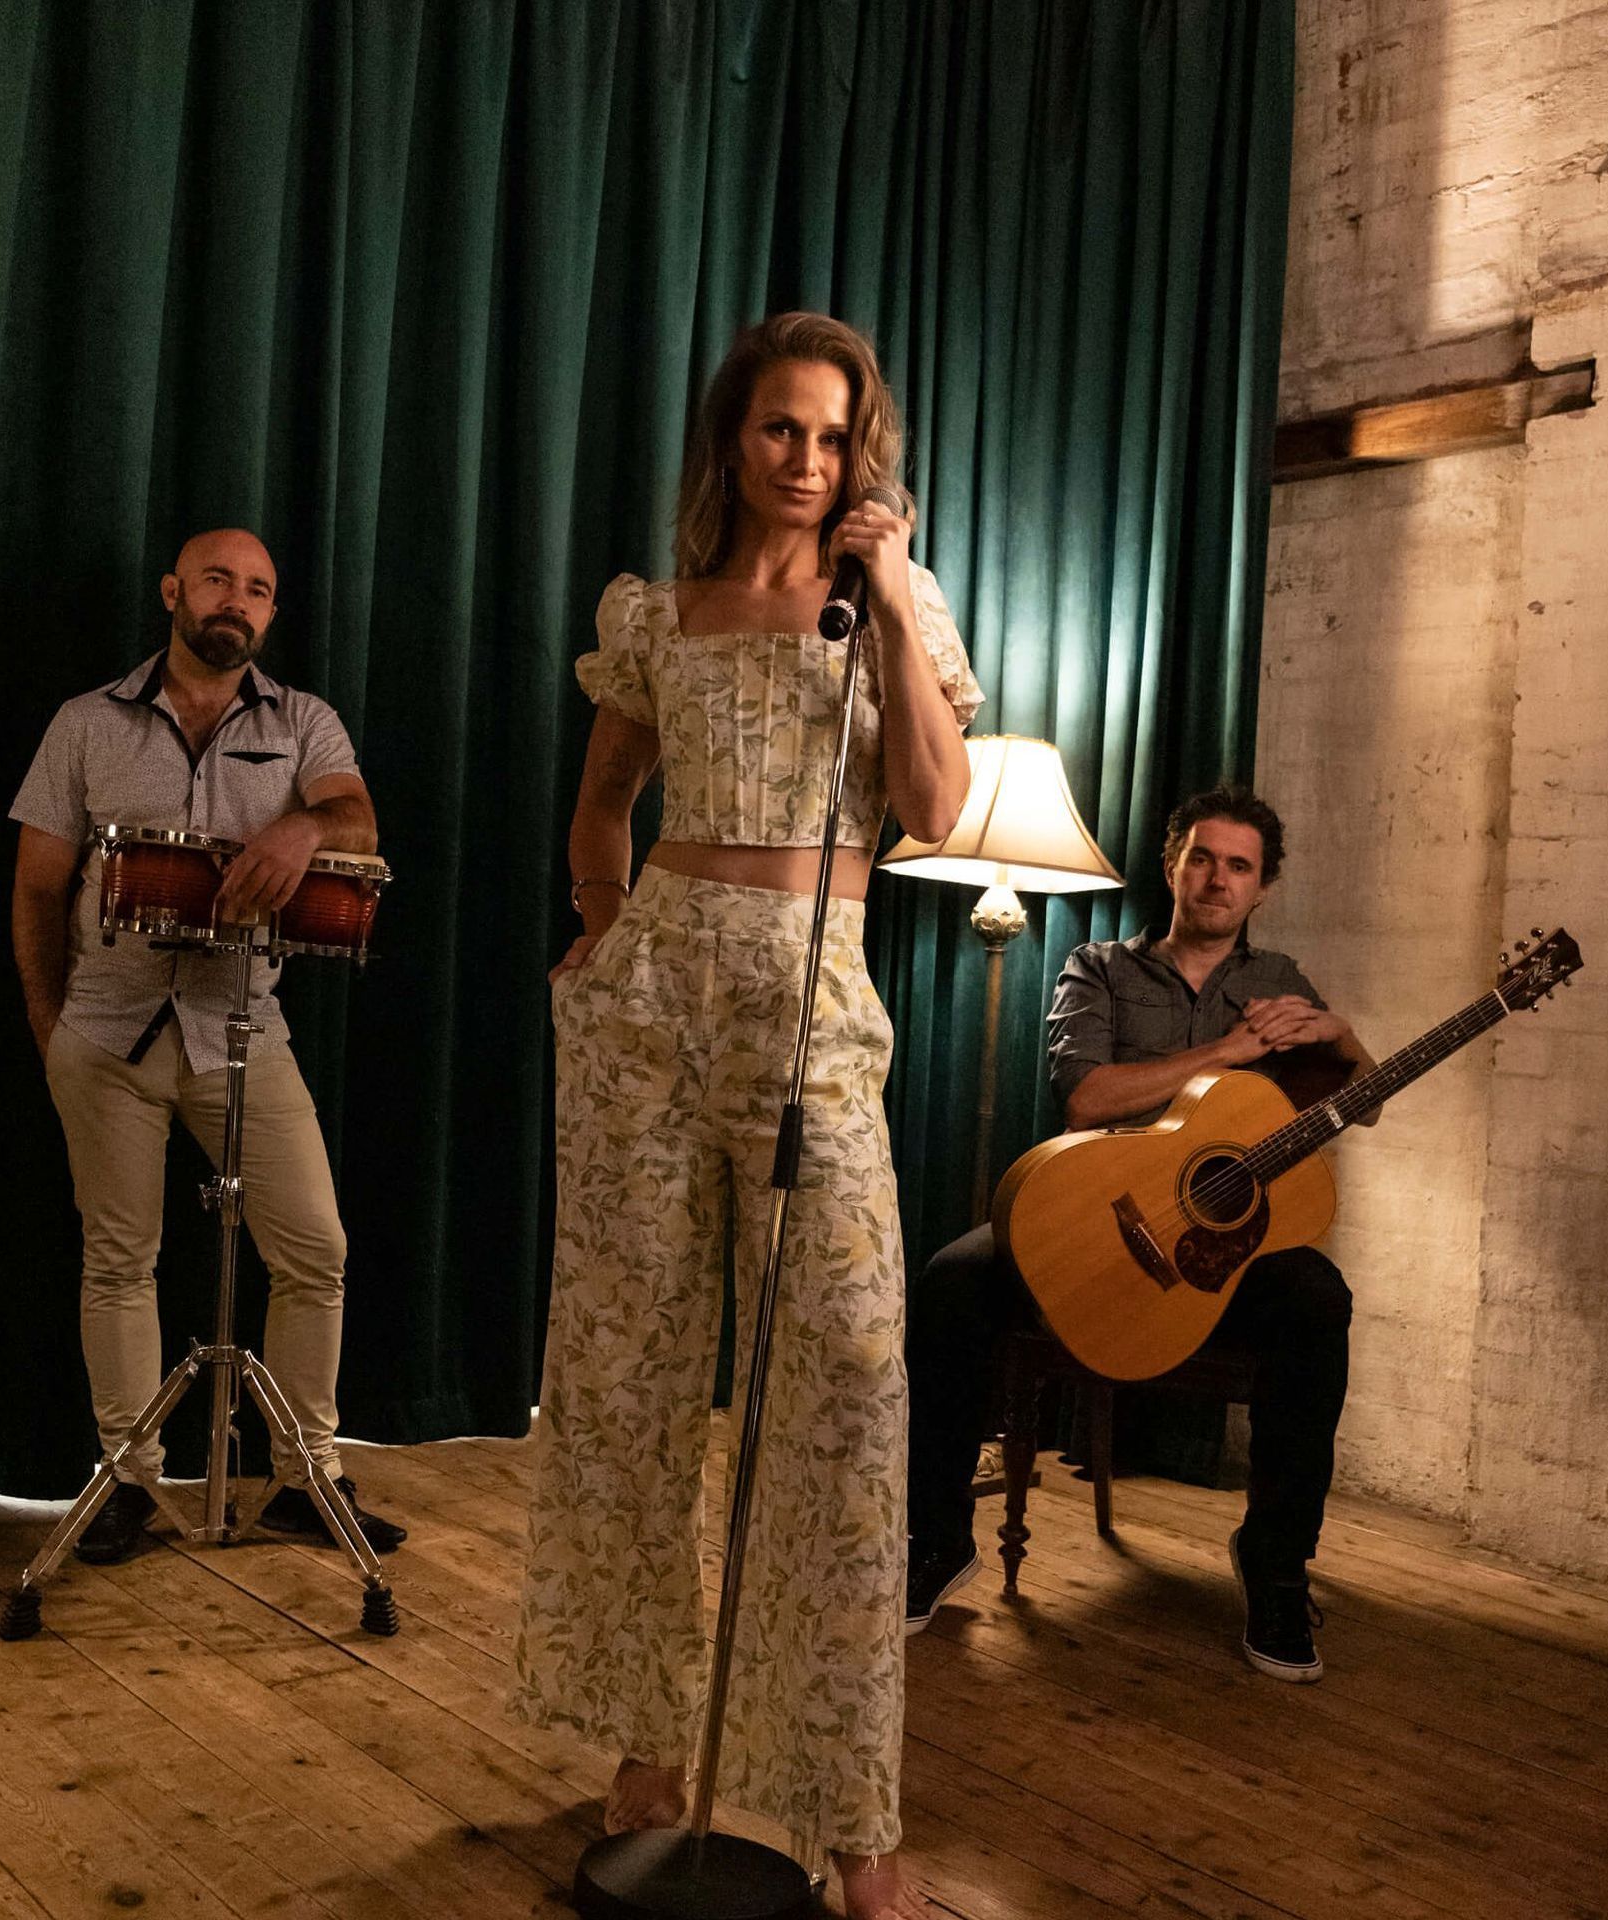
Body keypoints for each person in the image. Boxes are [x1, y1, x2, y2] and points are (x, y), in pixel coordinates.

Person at [509, 314, 981, 1919]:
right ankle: (650, 1742)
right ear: (736, 442)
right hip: (652, 1001)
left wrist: (902, 610)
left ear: (869, 457)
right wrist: (595, 924)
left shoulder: (893, 611)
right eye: (780, 430)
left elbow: (930, 809)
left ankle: (849, 1810)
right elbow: (603, 799)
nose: (805, 460)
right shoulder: (660, 614)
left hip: (814, 1006)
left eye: (834, 436)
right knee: (634, 1367)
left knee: (847, 1377)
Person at [904, 787, 1375, 1683]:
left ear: (1262, 888)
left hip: (1209, 1246)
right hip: (1087, 1216)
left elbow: (1355, 1109)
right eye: (1202, 859)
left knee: (1319, 1304)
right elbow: (1085, 1097)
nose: (1216, 880)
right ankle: (936, 1539)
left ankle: (1276, 1566)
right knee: (951, 1283)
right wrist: (1222, 1055)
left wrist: (1341, 1035)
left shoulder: (1283, 986)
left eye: (1239, 867)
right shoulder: (1099, 967)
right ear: (1172, 866)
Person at [9, 527, 405, 1566]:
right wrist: (53, 1035)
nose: (238, 600)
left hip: (244, 1029)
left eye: (260, 590)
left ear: (270, 616)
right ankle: (127, 1484)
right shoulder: (85, 723)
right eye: (220, 579)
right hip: (106, 1034)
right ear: (174, 591)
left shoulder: (305, 721)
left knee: (316, 1250)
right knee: (119, 1258)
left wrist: (303, 831)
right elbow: (37, 889)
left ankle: (300, 1477)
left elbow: (359, 820)